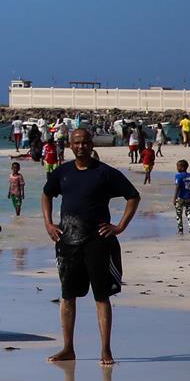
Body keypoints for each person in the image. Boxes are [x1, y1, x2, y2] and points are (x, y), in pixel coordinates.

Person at [42, 129, 140, 366]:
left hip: (97, 242)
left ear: (91, 145)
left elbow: (133, 196)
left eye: (85, 142)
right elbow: (46, 194)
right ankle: (68, 348)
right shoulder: (62, 172)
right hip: (68, 242)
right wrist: (48, 223)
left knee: (102, 297)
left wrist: (119, 227)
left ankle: (105, 350)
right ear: (70, 145)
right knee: (67, 296)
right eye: (77, 143)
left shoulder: (104, 173)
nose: (81, 146)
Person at [173, 160, 190, 235]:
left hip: (180, 197)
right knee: (189, 213)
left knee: (179, 214)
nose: (177, 168)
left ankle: (180, 230)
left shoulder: (178, 176)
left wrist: (174, 198)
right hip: (188, 197)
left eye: (178, 166)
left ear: (182, 167)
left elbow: (177, 187)